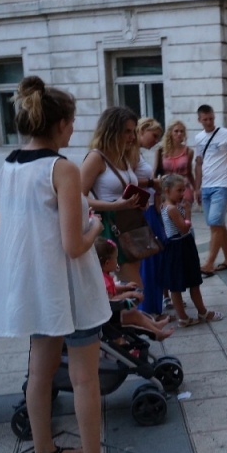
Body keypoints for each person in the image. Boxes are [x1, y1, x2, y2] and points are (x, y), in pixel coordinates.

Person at [0, 76, 124, 453]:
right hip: (70, 290)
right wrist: (97, 225)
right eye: (72, 121)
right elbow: (74, 245)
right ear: (61, 123)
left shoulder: (8, 164)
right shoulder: (60, 168)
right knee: (84, 377)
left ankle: (43, 452)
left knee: (39, 373)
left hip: (35, 290)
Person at [80, 107, 146, 289]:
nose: (132, 137)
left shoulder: (124, 157)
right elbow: (78, 198)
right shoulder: (96, 158)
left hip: (130, 225)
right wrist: (115, 205)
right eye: (127, 131)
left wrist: (138, 202)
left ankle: (138, 316)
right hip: (112, 226)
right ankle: (139, 316)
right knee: (134, 286)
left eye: (133, 131)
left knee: (133, 282)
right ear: (111, 131)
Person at [159, 174, 224, 327]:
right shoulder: (172, 209)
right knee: (189, 282)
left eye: (184, 190)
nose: (182, 194)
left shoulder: (163, 206)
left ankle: (191, 314)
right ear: (167, 191)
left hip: (176, 245)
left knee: (181, 283)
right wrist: (188, 212)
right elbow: (184, 228)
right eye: (179, 190)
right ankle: (193, 314)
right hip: (180, 246)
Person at [194, 105, 227, 276]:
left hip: (222, 185)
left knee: (214, 223)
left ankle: (208, 263)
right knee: (217, 224)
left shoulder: (226, 134)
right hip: (206, 186)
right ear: (199, 120)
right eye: (205, 119)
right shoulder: (198, 138)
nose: (208, 122)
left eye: (211, 118)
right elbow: (198, 164)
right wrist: (197, 187)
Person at [95, 239, 174, 340]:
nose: (117, 261)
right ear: (107, 263)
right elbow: (112, 299)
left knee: (136, 314)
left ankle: (155, 326)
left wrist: (125, 287)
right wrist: (130, 294)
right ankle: (157, 333)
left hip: (112, 316)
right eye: (115, 258)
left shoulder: (103, 276)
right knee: (134, 315)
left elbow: (111, 288)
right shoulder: (103, 279)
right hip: (111, 319)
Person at [135, 117, 166, 316]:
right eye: (154, 136)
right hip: (143, 210)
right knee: (149, 260)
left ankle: (154, 307)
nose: (155, 141)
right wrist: (151, 183)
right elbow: (127, 180)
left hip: (150, 208)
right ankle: (147, 308)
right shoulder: (131, 153)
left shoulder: (138, 154)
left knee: (155, 257)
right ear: (143, 129)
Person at [156, 120, 196, 211]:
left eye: (182, 131)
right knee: (168, 219)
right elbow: (155, 172)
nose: (179, 134)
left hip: (183, 188)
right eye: (176, 131)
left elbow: (189, 172)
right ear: (170, 133)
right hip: (167, 188)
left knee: (183, 218)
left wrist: (196, 189)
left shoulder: (188, 151)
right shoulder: (161, 151)